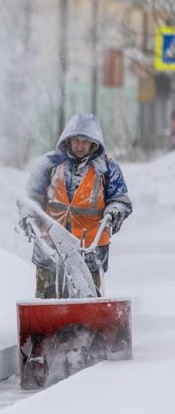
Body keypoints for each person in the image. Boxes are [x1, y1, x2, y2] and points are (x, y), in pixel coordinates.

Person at [20, 113, 132, 298]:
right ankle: (48, 322)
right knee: (48, 293)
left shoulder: (107, 168)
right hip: (51, 243)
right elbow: (31, 196)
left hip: (90, 246)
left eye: (85, 142)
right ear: (68, 140)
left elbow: (120, 200)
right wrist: (28, 213)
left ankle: (89, 323)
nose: (80, 146)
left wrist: (114, 211)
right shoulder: (49, 163)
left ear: (94, 143)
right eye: (76, 141)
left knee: (89, 294)